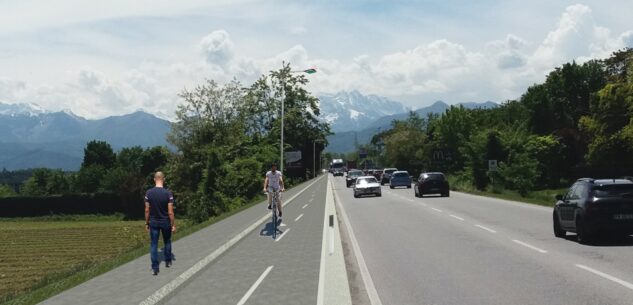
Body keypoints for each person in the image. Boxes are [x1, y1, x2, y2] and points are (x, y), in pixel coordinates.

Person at [144, 171, 176, 276]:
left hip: (153, 222)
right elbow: (170, 212)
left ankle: (155, 268)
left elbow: (147, 210)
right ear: (164, 179)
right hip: (165, 222)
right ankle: (168, 261)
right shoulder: (168, 193)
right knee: (167, 241)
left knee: (154, 244)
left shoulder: (148, 193)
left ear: (154, 179)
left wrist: (147, 223)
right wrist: (173, 224)